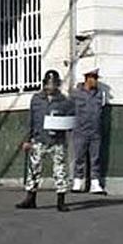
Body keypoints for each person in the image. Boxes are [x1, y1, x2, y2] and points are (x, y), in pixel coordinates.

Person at [16, 69, 75, 212]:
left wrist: (64, 124)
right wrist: (27, 140)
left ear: (58, 84)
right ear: (44, 84)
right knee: (33, 169)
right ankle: (30, 198)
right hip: (39, 139)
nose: (50, 87)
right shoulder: (36, 99)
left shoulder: (64, 101)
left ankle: (61, 201)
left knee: (60, 170)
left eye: (53, 84)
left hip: (57, 141)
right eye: (48, 84)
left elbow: (71, 118)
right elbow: (31, 120)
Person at [70, 67, 107, 194]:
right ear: (87, 78)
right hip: (80, 130)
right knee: (79, 157)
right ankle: (78, 181)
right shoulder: (76, 94)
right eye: (93, 78)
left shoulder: (100, 94)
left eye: (96, 78)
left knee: (95, 158)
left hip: (95, 131)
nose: (95, 81)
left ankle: (95, 183)